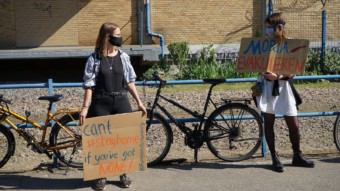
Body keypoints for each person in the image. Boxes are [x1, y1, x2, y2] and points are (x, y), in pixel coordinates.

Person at [80, 22, 147, 190]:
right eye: (117, 35)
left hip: (121, 101)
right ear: (106, 37)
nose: (120, 38)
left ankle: (123, 172)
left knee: (123, 140)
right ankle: (101, 175)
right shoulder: (94, 59)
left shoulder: (123, 57)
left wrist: (139, 102)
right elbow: (89, 86)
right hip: (101, 102)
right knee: (101, 142)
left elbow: (130, 81)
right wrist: (85, 108)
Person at [256, 12, 314, 172]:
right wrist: (265, 74)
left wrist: (279, 75)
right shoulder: (261, 45)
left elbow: (294, 70)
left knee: (294, 124)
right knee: (269, 121)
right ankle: (274, 157)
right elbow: (256, 65)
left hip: (284, 87)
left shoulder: (289, 45)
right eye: (266, 27)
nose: (267, 30)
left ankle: (297, 155)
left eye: (269, 27)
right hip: (267, 87)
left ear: (278, 27)